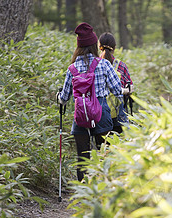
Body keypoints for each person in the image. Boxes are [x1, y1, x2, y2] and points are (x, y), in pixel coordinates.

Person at [57, 23, 123, 181]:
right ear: (95, 45)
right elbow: (117, 90)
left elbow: (64, 99)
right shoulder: (105, 64)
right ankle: (104, 190)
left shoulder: (72, 68)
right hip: (101, 114)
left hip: (81, 116)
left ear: (78, 47)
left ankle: (83, 193)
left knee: (82, 158)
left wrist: (58, 96)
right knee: (105, 156)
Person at [99, 32, 134, 134]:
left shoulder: (94, 64)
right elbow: (130, 87)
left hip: (99, 114)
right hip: (118, 114)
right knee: (119, 145)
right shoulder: (121, 66)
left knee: (101, 146)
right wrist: (126, 90)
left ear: (99, 46)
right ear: (114, 47)